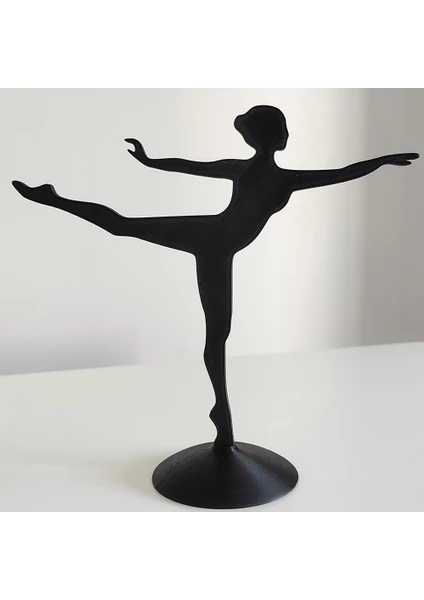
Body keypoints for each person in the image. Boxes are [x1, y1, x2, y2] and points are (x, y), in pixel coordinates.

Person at [12, 105, 419, 447]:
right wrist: (150, 161)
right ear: (279, 138)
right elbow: (342, 172)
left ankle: (221, 413)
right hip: (212, 239)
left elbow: (342, 172)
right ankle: (53, 198)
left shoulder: (263, 174)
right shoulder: (276, 177)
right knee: (136, 241)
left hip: (215, 244)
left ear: (252, 137)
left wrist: (379, 161)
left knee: (214, 330)